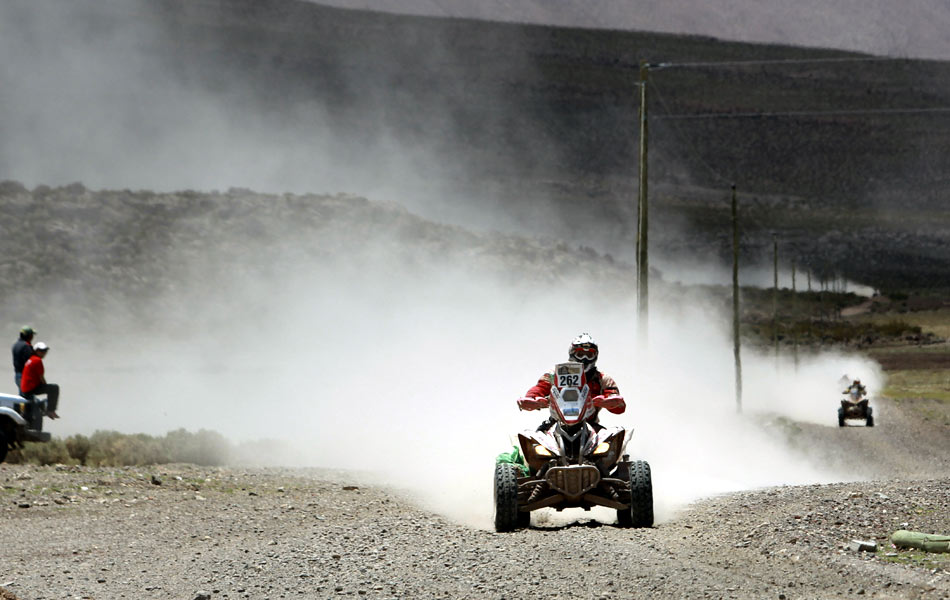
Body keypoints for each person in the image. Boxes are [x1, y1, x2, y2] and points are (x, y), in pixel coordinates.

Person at [517, 333, 624, 430]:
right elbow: (540, 387)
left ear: (595, 356)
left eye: (589, 355)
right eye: (580, 354)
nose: (585, 359)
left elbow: (617, 403)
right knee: (530, 443)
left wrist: (611, 401)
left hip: (590, 426)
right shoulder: (556, 373)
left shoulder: (603, 378)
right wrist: (531, 398)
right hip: (556, 424)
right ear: (572, 354)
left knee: (614, 442)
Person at [20, 341, 60, 419]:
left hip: (25, 388)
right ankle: (50, 410)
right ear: (36, 351)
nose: (43, 353)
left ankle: (45, 407)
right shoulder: (37, 360)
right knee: (54, 388)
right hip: (31, 389)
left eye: (45, 351)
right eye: (41, 351)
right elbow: (41, 377)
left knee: (49, 389)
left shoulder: (30, 359)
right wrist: (47, 387)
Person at [12, 325, 36, 392]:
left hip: (17, 375)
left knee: (22, 397)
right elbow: (30, 362)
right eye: (32, 335)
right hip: (24, 377)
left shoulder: (15, 345)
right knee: (29, 399)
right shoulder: (26, 346)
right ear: (29, 336)